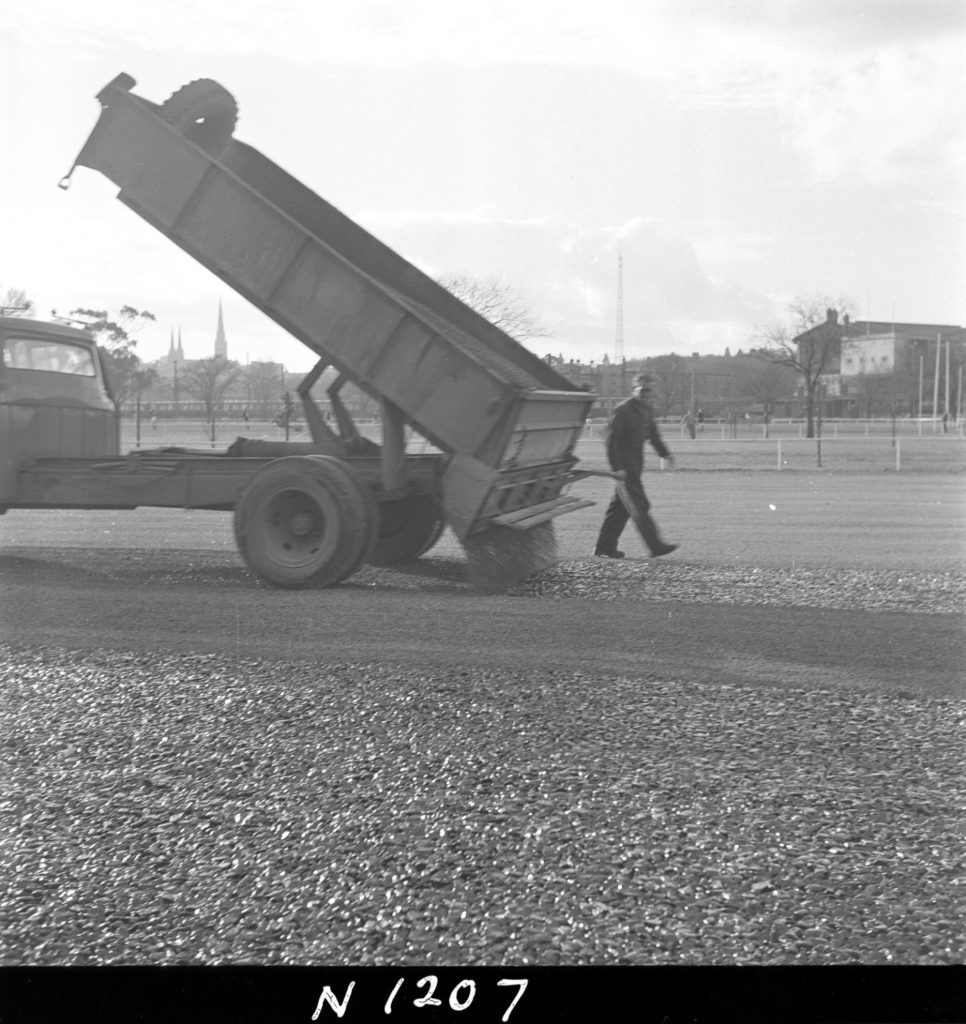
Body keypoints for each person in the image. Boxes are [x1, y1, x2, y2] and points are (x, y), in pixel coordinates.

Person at [594, 373, 678, 559]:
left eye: (649, 390)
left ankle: (605, 547)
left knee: (621, 509)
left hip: (635, 467)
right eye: (642, 390)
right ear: (634, 390)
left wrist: (665, 454)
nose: (645, 393)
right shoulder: (623, 410)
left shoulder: (646, 410)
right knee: (640, 505)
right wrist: (617, 468)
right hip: (625, 469)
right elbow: (611, 441)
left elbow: (654, 436)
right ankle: (655, 546)